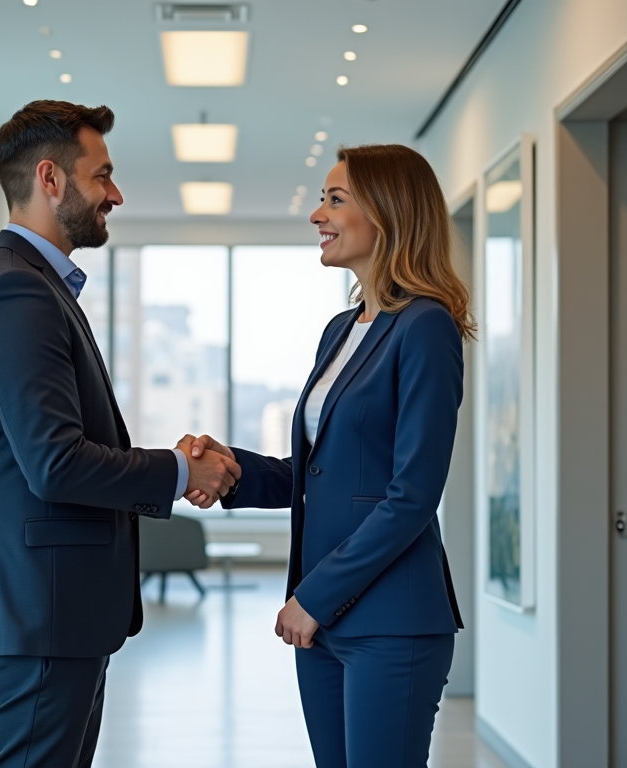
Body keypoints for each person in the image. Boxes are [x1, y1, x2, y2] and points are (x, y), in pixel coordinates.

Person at [0, 100, 241, 768]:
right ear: (51, 179)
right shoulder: (15, 294)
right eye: (102, 175)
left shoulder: (37, 287)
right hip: (38, 611)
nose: (116, 193)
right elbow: (55, 463)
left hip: (51, 610)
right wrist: (179, 471)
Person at [186, 144, 474, 768]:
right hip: (324, 623)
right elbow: (320, 472)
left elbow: (412, 495)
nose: (317, 214)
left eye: (335, 199)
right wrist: (230, 467)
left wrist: (314, 596)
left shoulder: (426, 327)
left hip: (388, 620)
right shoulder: (341, 330)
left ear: (389, 213)